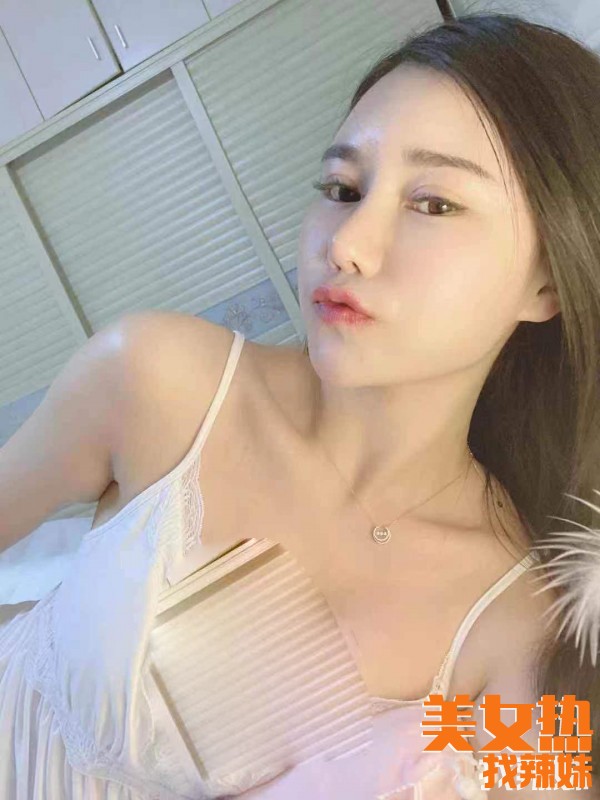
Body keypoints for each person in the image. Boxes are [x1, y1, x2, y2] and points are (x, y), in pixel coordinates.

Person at [0, 10, 599, 799]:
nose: (346, 243)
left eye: (434, 204)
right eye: (342, 189)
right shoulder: (156, 379)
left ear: (547, 282)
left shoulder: (520, 629)